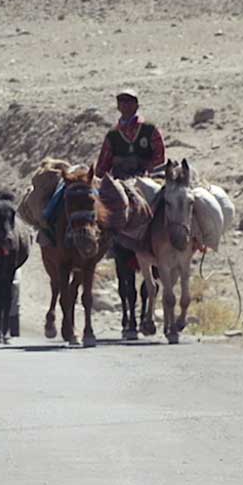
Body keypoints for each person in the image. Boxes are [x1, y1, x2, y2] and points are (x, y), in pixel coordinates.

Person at [93, 89, 166, 320]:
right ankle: (106, 243)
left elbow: (160, 156)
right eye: (121, 102)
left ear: (136, 105)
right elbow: (102, 164)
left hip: (145, 180)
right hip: (121, 182)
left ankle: (167, 240)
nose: (124, 105)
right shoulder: (113, 135)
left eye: (129, 102)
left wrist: (145, 171)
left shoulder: (150, 130)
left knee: (166, 206)